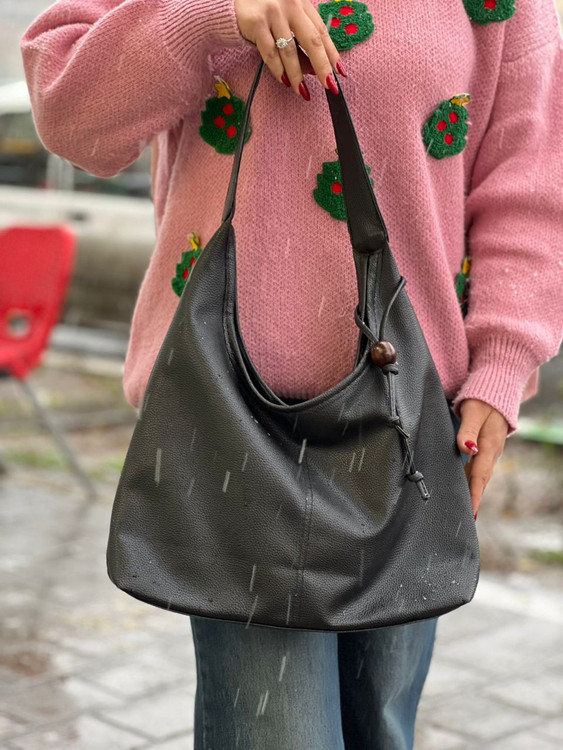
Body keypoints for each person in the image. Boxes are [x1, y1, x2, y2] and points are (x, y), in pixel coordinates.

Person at [21, 0, 563, 747]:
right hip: (229, 422)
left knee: (381, 732)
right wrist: (215, 14)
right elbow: (69, 117)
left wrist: (502, 366)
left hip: (411, 429)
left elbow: (532, 187)